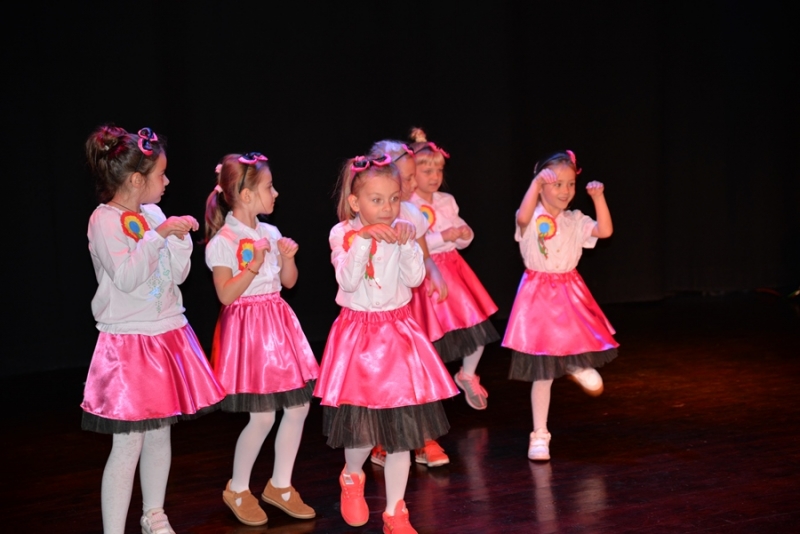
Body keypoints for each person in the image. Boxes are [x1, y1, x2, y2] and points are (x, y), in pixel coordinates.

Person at [82, 124, 226, 534]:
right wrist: (158, 236)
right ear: (135, 180)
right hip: (130, 342)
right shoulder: (104, 221)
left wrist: (177, 240)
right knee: (129, 442)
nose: (167, 181)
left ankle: (154, 515)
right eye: (161, 175)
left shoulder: (154, 214)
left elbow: (175, 276)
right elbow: (127, 277)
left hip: (166, 334)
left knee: (161, 430)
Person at [313, 154, 459, 534]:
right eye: (376, 200)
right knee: (362, 431)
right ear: (355, 202)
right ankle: (352, 474)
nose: (387, 208)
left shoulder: (400, 230)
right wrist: (364, 240)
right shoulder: (342, 234)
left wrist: (409, 245)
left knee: (402, 434)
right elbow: (348, 281)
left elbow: (413, 280)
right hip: (359, 337)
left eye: (394, 199)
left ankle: (396, 513)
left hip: (397, 333)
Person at [204, 152, 319, 526]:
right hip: (250, 332)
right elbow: (226, 295)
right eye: (269, 187)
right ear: (246, 195)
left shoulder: (270, 232)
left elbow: (289, 283)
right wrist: (252, 265)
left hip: (277, 325)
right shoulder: (223, 241)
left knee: (298, 407)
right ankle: (238, 488)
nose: (276, 193)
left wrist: (287, 258)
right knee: (263, 415)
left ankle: (280, 485)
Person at [502, 150, 618, 461]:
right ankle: (540, 433)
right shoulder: (531, 217)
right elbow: (522, 217)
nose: (565, 191)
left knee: (575, 339)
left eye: (570, 184)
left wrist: (598, 198)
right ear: (541, 186)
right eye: (557, 184)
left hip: (569, 290)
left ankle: (576, 364)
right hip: (538, 293)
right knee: (543, 371)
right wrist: (535, 184)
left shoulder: (575, 220)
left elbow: (605, 231)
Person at [367, 139, 451, 468]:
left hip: (407, 309)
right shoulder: (365, 215)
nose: (413, 184)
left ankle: (423, 439)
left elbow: (424, 254)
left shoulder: (412, 213)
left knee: (417, 374)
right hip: (377, 313)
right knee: (385, 378)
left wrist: (436, 275)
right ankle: (384, 439)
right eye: (408, 177)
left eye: (414, 177)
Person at [408, 128, 500, 411]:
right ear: (411, 174)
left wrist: (463, 235)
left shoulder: (446, 201)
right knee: (431, 333)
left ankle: (467, 374)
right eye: (427, 171)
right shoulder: (407, 205)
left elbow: (461, 232)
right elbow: (414, 244)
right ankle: (429, 388)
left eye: (439, 170)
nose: (434, 176)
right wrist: (442, 237)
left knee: (476, 325)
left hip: (454, 270)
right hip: (426, 274)